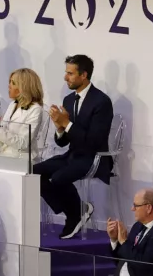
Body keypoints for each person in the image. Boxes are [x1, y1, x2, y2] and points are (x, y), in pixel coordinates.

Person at [33, 55, 113, 239]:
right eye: (66, 73)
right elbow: (62, 142)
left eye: (70, 73)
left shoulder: (102, 102)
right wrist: (60, 128)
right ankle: (78, 209)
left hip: (94, 157)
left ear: (83, 75)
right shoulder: (69, 100)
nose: (65, 77)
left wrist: (66, 123)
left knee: (58, 178)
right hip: (72, 155)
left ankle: (74, 216)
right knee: (33, 171)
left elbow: (93, 141)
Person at [0, 68, 46, 162]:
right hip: (5, 155)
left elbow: (23, 144)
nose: (9, 86)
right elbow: (1, 143)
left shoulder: (35, 110)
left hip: (22, 160)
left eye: (13, 83)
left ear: (24, 88)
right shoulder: (13, 104)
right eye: (9, 82)